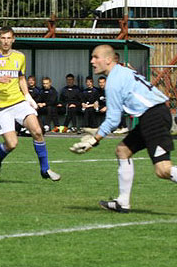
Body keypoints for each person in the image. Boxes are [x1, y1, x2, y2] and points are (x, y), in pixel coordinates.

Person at [71, 44, 177, 212]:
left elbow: (113, 119)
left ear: (108, 59)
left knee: (163, 170)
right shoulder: (123, 71)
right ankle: (123, 202)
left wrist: (93, 140)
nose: (92, 61)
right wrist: (98, 132)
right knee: (123, 150)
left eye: (95, 57)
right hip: (154, 114)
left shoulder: (113, 81)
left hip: (154, 117)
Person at [0, 26, 60, 181]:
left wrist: (27, 96)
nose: (6, 41)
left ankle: (45, 169)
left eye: (9, 38)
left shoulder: (20, 57)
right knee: (12, 144)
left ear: (13, 39)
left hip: (18, 102)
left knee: (37, 131)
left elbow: (21, 77)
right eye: (3, 38)